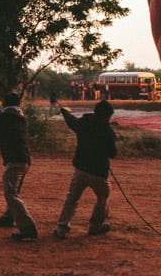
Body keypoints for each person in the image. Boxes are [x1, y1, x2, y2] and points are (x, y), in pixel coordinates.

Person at [53, 100, 118, 240]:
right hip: (99, 173)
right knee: (102, 198)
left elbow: (71, 121)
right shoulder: (107, 130)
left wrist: (64, 112)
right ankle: (95, 226)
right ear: (107, 115)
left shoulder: (84, 123)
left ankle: (61, 228)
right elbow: (113, 154)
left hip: (81, 169)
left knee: (72, 199)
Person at [0, 92, 38, 240]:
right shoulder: (21, 117)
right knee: (13, 191)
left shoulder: (3, 117)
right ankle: (8, 217)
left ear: (5, 104)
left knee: (10, 193)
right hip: (24, 159)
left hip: (15, 160)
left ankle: (28, 227)